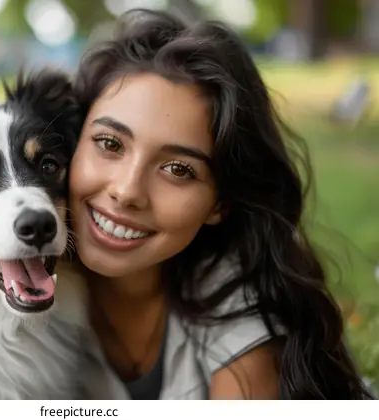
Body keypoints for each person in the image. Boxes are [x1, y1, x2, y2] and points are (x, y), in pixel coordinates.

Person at [67, 8, 371, 399]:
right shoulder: (4, 275)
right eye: (110, 144)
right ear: (72, 143)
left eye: (178, 169)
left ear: (220, 202)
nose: (127, 191)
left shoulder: (241, 291)